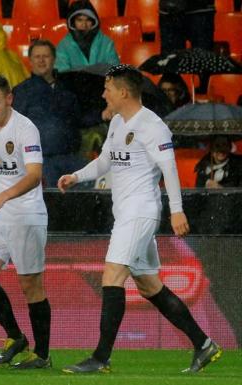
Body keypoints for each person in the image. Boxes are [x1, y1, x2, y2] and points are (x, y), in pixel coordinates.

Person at [57, 64, 222, 374]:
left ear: (123, 92)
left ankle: (100, 358)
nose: (103, 94)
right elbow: (105, 161)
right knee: (149, 286)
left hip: (140, 212)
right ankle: (203, 344)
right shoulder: (118, 121)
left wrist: (177, 210)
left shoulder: (152, 126)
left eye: (107, 89)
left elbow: (170, 168)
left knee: (112, 275)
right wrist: (76, 176)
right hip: (126, 213)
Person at [0, 74, 52, 369]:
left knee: (30, 283)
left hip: (26, 214)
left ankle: (42, 355)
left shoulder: (26, 129)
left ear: (9, 98)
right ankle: (15, 337)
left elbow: (34, 175)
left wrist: (1, 197)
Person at [12, 39, 85, 187]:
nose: (41, 60)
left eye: (46, 56)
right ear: (30, 60)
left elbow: (80, 119)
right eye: (37, 57)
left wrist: (103, 115)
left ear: (54, 59)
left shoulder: (67, 89)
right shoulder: (21, 92)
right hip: (41, 161)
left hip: (71, 158)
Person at [54, 0, 120, 72]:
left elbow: (115, 71)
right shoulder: (63, 45)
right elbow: (62, 73)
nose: (84, 24)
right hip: (74, 83)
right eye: (79, 20)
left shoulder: (106, 43)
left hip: (103, 82)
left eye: (88, 20)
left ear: (94, 21)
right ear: (72, 22)